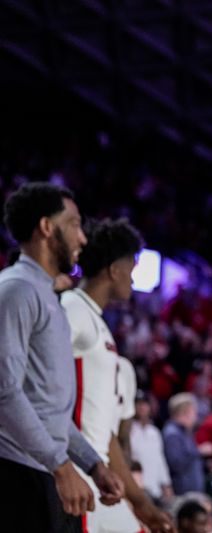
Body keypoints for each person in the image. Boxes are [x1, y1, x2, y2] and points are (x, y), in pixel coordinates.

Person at [0, 183, 124, 531]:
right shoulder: (17, 290)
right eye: (74, 224)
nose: (82, 238)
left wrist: (92, 464)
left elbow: (47, 409)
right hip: (17, 474)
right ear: (46, 228)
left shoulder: (44, 295)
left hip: (42, 470)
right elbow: (5, 391)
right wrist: (61, 465)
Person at [62, 217, 174, 532]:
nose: (134, 280)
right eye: (132, 269)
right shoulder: (72, 307)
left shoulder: (100, 326)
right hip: (75, 474)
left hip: (101, 476)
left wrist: (141, 503)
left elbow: (106, 433)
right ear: (114, 270)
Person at [131, 391, 175, 505]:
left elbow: (160, 459)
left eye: (144, 404)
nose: (141, 407)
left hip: (155, 488)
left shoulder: (154, 432)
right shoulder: (128, 432)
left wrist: (166, 483)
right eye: (138, 404)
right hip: (137, 487)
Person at [164, 393, 206, 495]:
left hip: (193, 491)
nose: (195, 416)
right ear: (184, 412)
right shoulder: (172, 434)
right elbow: (176, 463)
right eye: (193, 412)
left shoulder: (186, 433)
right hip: (184, 491)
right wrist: (199, 451)